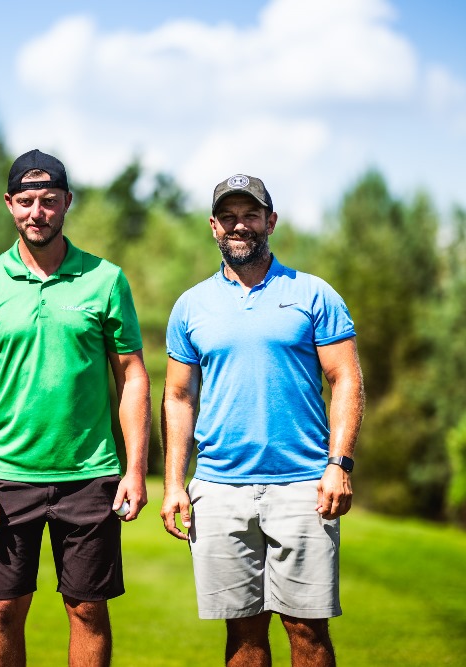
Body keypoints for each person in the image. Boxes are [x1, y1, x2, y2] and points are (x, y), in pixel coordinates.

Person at [0, 149, 151, 667]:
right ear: (9, 204)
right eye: (26, 202)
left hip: (90, 474)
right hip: (6, 475)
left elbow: (132, 375)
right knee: (4, 609)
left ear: (67, 202)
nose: (36, 212)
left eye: (48, 200)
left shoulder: (105, 279)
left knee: (87, 609)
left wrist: (134, 469)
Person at [160, 174, 365, 666]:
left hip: (303, 486)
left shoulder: (313, 293)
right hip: (219, 487)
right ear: (213, 226)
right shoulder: (191, 305)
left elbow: (346, 380)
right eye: (228, 216)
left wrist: (339, 464)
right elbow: (179, 396)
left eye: (250, 215)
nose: (239, 225)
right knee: (243, 632)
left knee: (307, 629)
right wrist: (173, 484)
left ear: (270, 221)